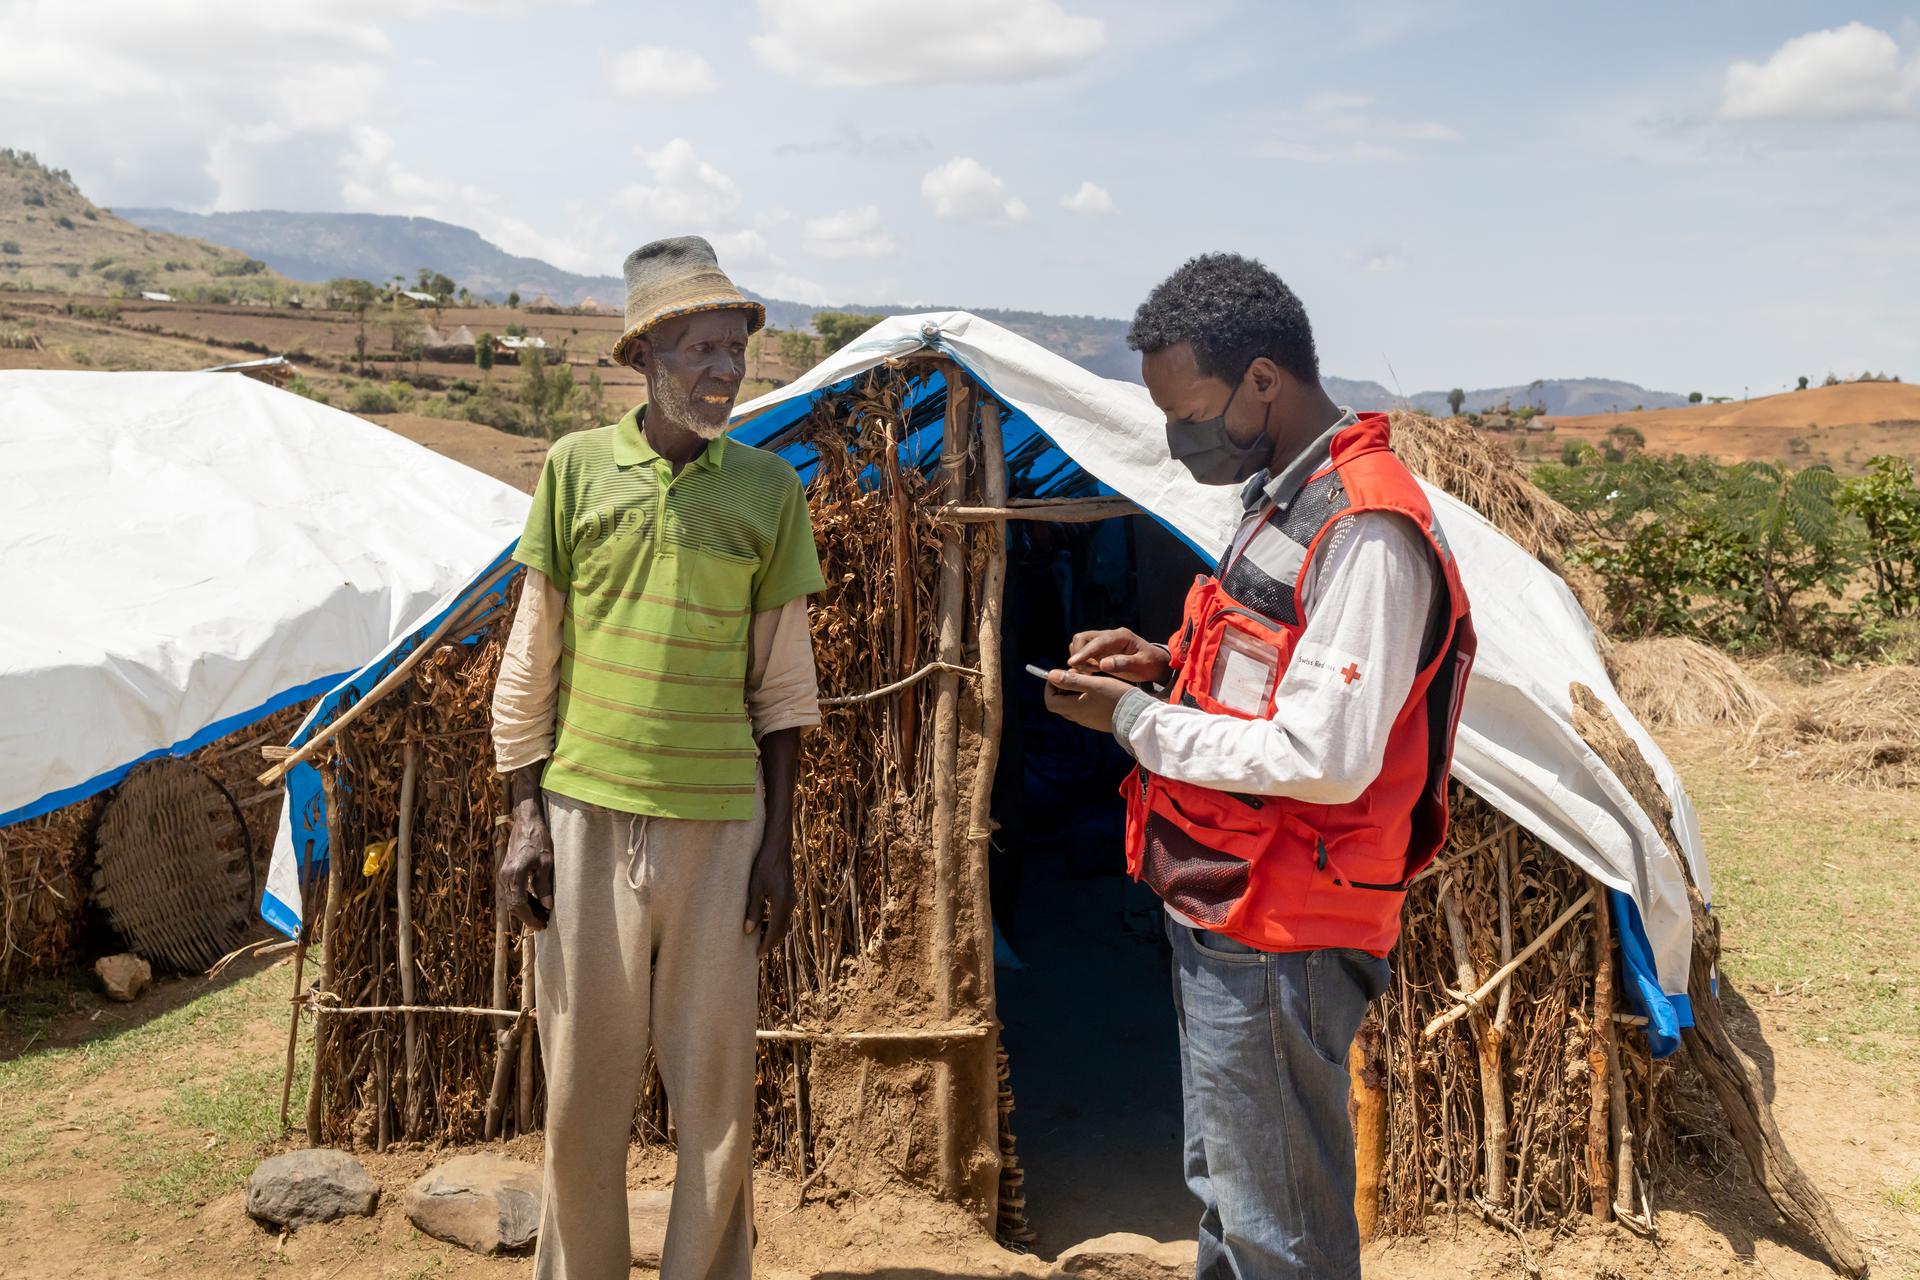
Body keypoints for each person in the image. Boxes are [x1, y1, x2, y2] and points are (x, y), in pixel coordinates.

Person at [1041, 253, 1476, 1279]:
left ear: (1264, 379)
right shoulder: (1288, 496)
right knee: (1233, 1195)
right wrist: (1164, 662)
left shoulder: (1365, 525)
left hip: (1287, 917)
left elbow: (1324, 754)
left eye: (1192, 412)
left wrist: (1139, 720)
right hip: (1235, 899)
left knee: (1274, 1226)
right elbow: (1275, 674)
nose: (1179, 438)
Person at [490, 236, 826, 1280]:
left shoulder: (768, 491)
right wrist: (525, 813)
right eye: (702, 348)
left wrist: (774, 841)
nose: (726, 369)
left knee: (716, 1094)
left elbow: (783, 686)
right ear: (645, 354)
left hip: (721, 828)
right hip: (584, 813)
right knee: (582, 1086)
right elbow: (530, 653)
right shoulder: (574, 468)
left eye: (736, 348)